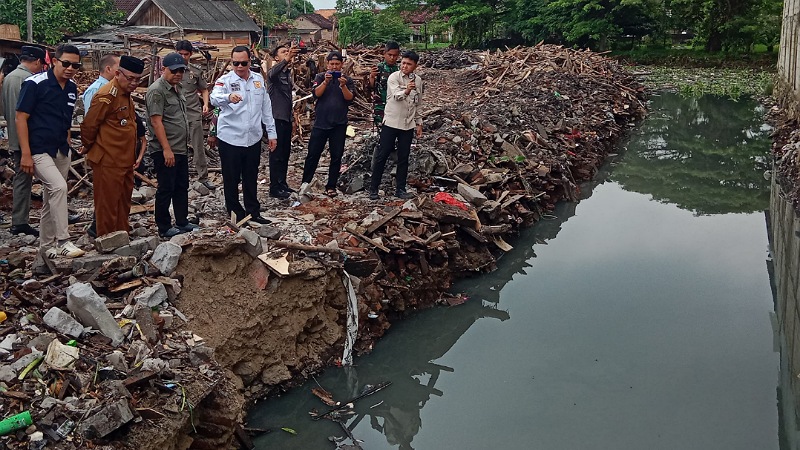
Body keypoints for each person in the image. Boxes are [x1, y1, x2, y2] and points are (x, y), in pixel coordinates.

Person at [16, 44, 85, 258]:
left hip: (61, 149)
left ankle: (44, 253)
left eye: (75, 65)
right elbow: (21, 117)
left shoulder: (72, 88)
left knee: (50, 200)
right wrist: (25, 153)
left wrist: (68, 144)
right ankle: (63, 240)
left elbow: (65, 119)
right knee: (59, 188)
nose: (70, 68)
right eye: (66, 63)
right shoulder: (35, 84)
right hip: (38, 148)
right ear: (54, 61)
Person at [210, 45, 277, 224]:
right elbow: (213, 98)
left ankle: (253, 211)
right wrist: (227, 97)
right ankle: (235, 213)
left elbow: (266, 108)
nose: (239, 67)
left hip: (252, 137)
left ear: (250, 62)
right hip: (230, 137)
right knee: (231, 178)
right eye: (235, 63)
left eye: (243, 63)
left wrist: (272, 133)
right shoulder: (224, 81)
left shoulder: (257, 80)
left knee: (250, 176)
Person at [79, 55, 145, 236]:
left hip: (125, 160)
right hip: (108, 160)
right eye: (130, 78)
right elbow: (89, 125)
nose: (134, 83)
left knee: (123, 202)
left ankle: (121, 236)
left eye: (138, 79)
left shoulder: (125, 94)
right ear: (117, 73)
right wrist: (89, 146)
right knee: (107, 204)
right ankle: (107, 240)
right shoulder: (106, 95)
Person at [146, 52, 197, 238]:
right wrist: (166, 149)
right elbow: (156, 122)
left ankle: (182, 221)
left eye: (181, 70)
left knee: (181, 186)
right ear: (163, 69)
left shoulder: (177, 88)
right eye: (174, 70)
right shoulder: (157, 90)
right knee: (166, 187)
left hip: (180, 147)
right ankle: (164, 226)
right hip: (165, 149)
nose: (178, 74)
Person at [2, 46, 45, 236]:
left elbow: (5, 110)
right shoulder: (28, 79)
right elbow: (26, 114)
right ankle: (20, 221)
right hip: (26, 138)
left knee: (23, 177)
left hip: (15, 136)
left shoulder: (9, 77)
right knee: (28, 178)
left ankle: (20, 220)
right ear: (36, 62)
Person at [370, 51, 423, 201]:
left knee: (403, 157)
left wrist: (419, 123)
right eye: (404, 63)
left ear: (415, 66)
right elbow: (396, 96)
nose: (405, 66)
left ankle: (400, 189)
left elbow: (418, 103)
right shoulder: (394, 77)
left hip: (408, 124)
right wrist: (407, 90)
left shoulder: (418, 81)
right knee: (383, 154)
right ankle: (373, 188)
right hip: (392, 123)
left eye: (409, 64)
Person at [300, 51, 355, 198]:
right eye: (332, 64)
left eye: (337, 64)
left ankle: (331, 186)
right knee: (313, 154)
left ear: (342, 65)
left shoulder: (347, 80)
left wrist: (343, 86)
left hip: (339, 124)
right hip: (321, 123)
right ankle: (305, 183)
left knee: (336, 156)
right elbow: (316, 94)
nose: (335, 67)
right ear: (327, 65)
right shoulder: (320, 77)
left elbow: (350, 98)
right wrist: (325, 82)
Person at [175, 40, 214, 190]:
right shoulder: (171, 71)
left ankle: (203, 177)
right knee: (177, 146)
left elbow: (204, 89)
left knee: (198, 145)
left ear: (191, 54)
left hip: (193, 112)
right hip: (176, 115)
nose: (183, 57)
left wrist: (205, 104)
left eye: (186, 54)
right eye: (180, 54)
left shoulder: (195, 72)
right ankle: (178, 176)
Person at [267, 42, 300, 199]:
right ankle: (274, 187)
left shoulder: (287, 74)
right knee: (276, 154)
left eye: (288, 51)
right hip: (276, 119)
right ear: (276, 57)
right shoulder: (275, 74)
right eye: (283, 52)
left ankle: (282, 183)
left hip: (286, 118)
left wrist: (292, 118)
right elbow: (271, 73)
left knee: (285, 153)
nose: (287, 54)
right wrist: (286, 60)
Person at [369, 41, 400, 127]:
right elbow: (371, 87)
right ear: (384, 54)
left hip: (396, 106)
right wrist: (372, 77)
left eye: (395, 55)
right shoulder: (379, 68)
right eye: (389, 55)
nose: (392, 58)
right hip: (381, 106)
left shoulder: (400, 70)